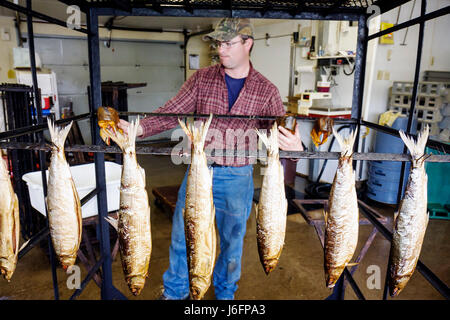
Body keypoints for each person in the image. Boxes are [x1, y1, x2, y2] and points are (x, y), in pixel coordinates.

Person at [118, 17, 303, 300]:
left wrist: (295, 147)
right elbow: (172, 110)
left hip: (238, 176)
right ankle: (175, 292)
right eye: (218, 43)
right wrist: (138, 129)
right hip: (199, 173)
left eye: (228, 43)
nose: (221, 49)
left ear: (247, 44)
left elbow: (277, 134)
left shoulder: (266, 91)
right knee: (184, 237)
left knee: (232, 242)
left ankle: (225, 293)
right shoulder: (202, 79)